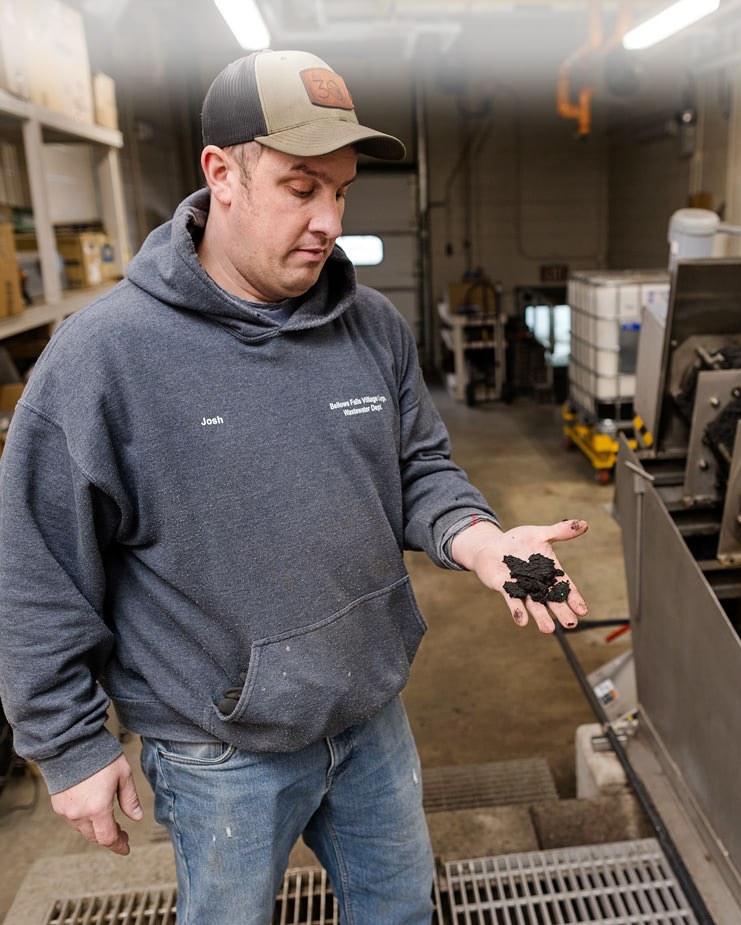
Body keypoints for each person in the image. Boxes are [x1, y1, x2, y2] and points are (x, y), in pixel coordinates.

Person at [0, 50, 589, 923]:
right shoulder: (104, 359)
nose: (328, 221)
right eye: (301, 187)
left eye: (340, 192)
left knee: (401, 910)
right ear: (221, 173)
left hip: (368, 711)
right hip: (219, 749)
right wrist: (68, 742)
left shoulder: (372, 326)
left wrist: (484, 542)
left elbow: (419, 468)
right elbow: (36, 564)